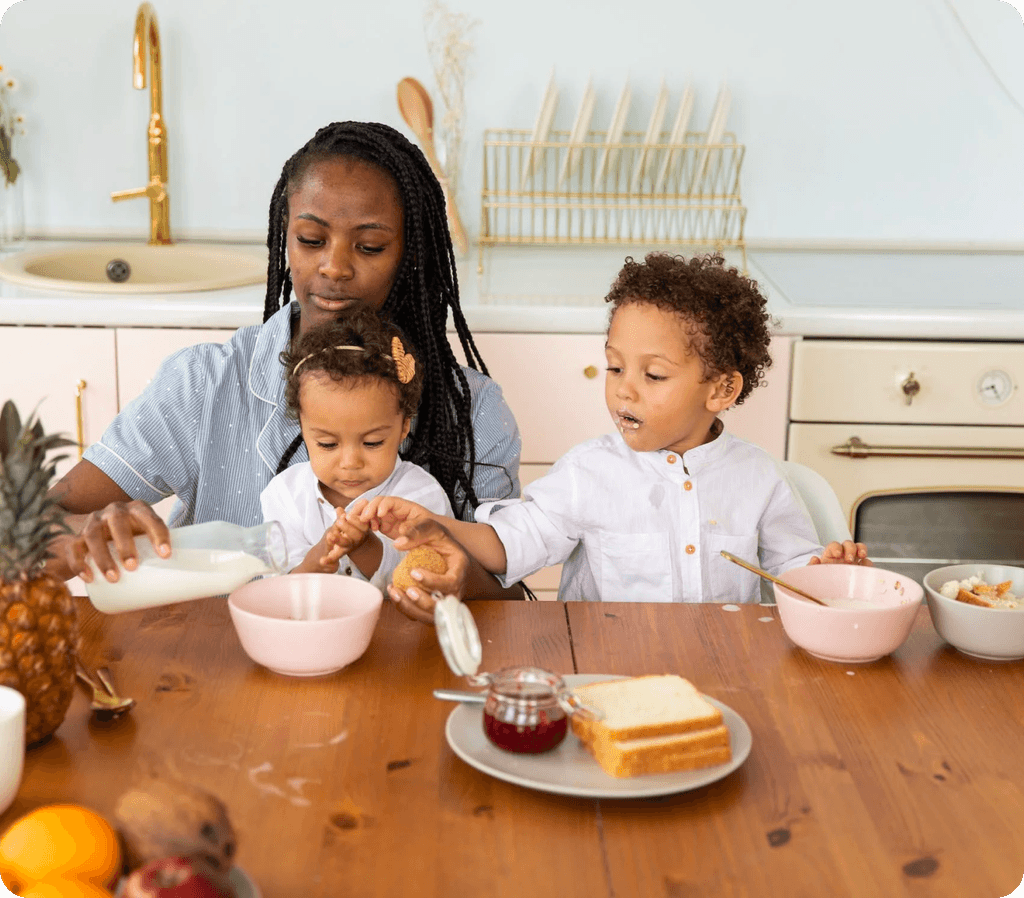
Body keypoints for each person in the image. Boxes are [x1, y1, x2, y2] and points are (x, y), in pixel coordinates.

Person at [47, 121, 523, 616]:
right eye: (311, 239)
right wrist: (91, 530)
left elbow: (512, 598)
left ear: (409, 254)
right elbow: (34, 523)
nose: (334, 268)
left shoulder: (472, 410)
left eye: (369, 246)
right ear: (284, 238)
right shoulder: (206, 384)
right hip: (218, 671)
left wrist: (454, 576)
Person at [358, 252, 870, 605]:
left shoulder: (760, 478)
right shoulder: (588, 472)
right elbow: (510, 543)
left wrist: (826, 572)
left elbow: (794, 574)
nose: (625, 390)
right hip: (608, 668)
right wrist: (437, 525)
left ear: (720, 390)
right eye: (615, 367)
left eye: (653, 375)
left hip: (723, 668)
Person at [262, 308, 451, 590]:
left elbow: (428, 579)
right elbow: (277, 592)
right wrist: (318, 559)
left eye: (372, 442)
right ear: (303, 428)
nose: (350, 462)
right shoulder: (285, 494)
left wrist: (365, 547)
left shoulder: (421, 496)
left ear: (403, 428)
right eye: (327, 444)